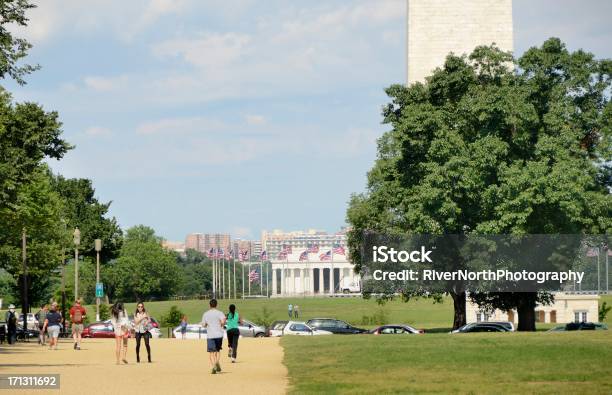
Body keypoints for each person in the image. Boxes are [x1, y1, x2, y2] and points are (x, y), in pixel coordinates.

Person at [201, 299, 226, 374]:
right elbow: (223, 321)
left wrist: (207, 324)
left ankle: (214, 366)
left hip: (210, 335)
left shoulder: (206, 314)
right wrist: (221, 324)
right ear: (216, 305)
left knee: (211, 352)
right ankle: (217, 362)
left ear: (209, 305)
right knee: (218, 350)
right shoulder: (220, 313)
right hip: (219, 334)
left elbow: (203, 324)